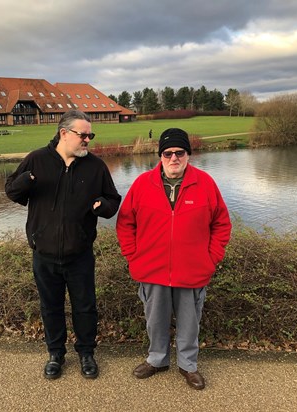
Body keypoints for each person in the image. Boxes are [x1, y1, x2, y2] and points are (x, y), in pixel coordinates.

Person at [5, 110, 121, 380]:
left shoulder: (95, 166)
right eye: (84, 135)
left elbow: (113, 200)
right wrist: (27, 181)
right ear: (64, 133)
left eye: (90, 135)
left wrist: (103, 206)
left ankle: (86, 353)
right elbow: (11, 191)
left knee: (85, 306)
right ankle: (55, 354)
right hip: (44, 254)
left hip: (79, 254)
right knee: (50, 306)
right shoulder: (36, 160)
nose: (88, 140)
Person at [116, 128, 231, 390]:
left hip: (192, 270)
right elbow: (125, 224)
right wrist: (133, 257)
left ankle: (188, 365)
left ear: (188, 155)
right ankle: (157, 359)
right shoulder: (143, 184)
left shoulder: (205, 184)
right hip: (151, 269)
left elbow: (222, 224)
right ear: (160, 156)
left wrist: (211, 258)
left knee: (190, 322)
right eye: (168, 153)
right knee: (154, 319)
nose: (174, 158)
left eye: (180, 152)